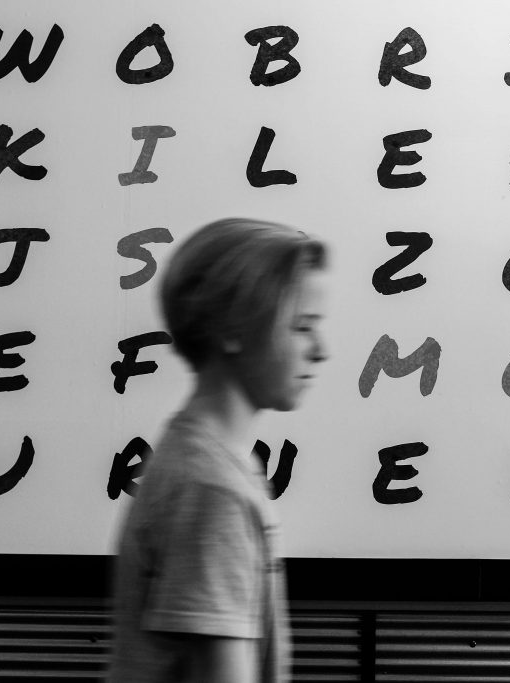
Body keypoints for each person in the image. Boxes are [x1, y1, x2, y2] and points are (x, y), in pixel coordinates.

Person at [108, 218, 327, 683]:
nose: (320, 350)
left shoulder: (209, 462)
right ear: (232, 330)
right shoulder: (212, 491)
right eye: (302, 326)